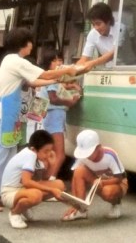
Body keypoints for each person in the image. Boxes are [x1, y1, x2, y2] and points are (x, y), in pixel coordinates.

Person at [0, 27, 84, 213]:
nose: (32, 46)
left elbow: (35, 81)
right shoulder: (16, 61)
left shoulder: (11, 61)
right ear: (25, 44)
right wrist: (69, 70)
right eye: (30, 42)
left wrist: (56, 80)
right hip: (4, 114)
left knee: (9, 156)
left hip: (9, 115)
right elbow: (44, 74)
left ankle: (2, 193)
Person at [0, 129, 65, 229]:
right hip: (9, 193)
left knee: (59, 185)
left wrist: (50, 163)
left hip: (21, 190)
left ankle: (23, 208)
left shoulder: (36, 156)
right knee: (36, 195)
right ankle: (15, 213)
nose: (48, 154)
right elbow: (27, 182)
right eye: (46, 151)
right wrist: (51, 190)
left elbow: (43, 179)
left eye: (50, 151)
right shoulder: (30, 155)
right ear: (34, 149)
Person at [62, 129, 128, 221]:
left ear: (98, 147)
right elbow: (76, 177)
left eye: (89, 153)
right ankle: (81, 210)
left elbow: (119, 178)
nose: (87, 156)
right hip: (96, 181)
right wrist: (75, 203)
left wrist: (103, 182)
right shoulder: (83, 157)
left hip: (117, 182)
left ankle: (116, 203)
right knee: (79, 170)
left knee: (108, 192)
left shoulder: (110, 155)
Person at [38, 49, 81, 178]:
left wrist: (70, 87)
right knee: (60, 154)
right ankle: (50, 182)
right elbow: (53, 98)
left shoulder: (46, 75)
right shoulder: (53, 76)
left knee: (49, 153)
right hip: (54, 116)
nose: (58, 62)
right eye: (54, 60)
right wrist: (70, 102)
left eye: (60, 59)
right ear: (48, 63)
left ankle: (45, 179)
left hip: (47, 116)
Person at [77, 2, 118, 71]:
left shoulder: (120, 29)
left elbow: (113, 54)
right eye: (93, 24)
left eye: (98, 24)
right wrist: (73, 69)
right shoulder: (92, 34)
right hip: (109, 70)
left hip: (129, 68)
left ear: (108, 21)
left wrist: (92, 63)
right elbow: (84, 58)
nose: (96, 28)